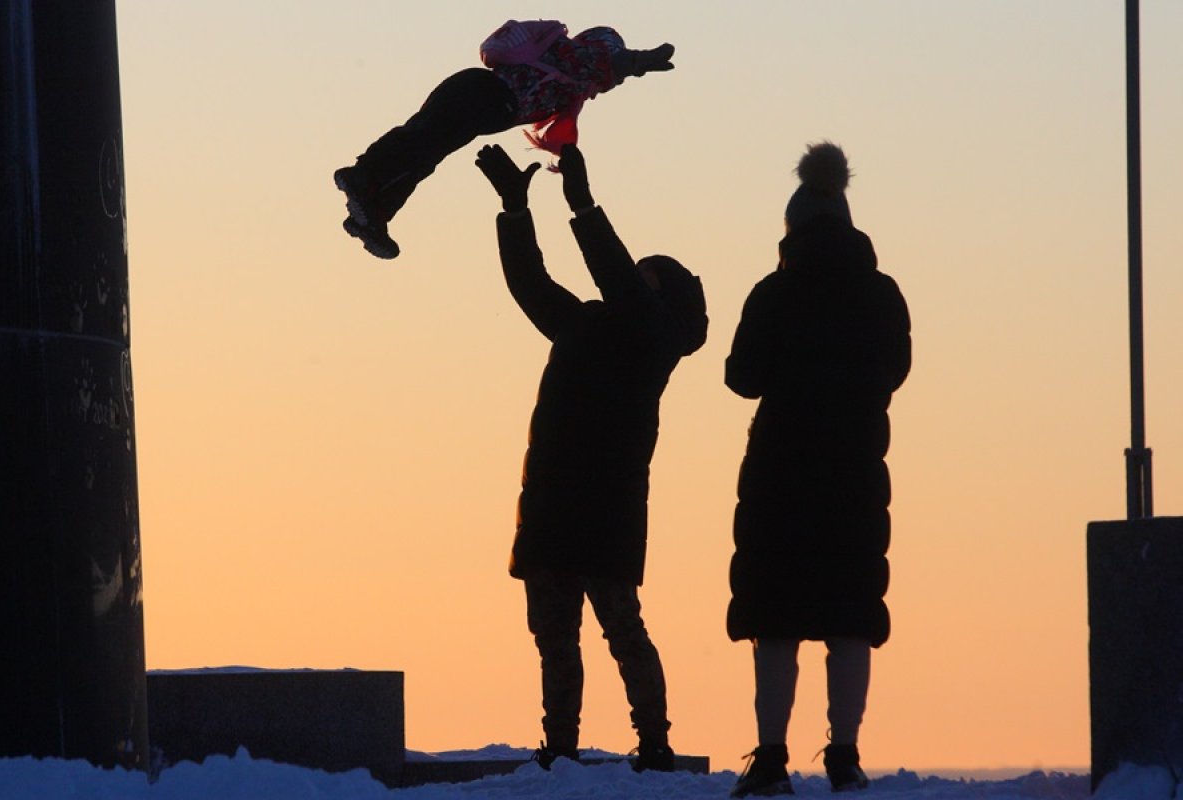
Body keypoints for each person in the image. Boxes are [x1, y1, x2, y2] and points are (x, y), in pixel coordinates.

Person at [474, 141, 707, 773]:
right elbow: (531, 284)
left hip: (603, 508)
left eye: (648, 278)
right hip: (552, 501)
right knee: (555, 641)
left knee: (621, 631)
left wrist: (578, 199)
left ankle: (655, 743)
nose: (635, 279)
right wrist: (514, 207)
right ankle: (561, 748)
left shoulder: (652, 339)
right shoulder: (583, 324)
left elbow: (614, 273)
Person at [725, 142, 911, 797]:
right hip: (856, 474)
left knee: (773, 619)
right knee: (849, 616)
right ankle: (844, 754)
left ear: (791, 230)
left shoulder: (773, 293)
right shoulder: (883, 294)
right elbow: (896, 371)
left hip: (779, 473)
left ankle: (771, 758)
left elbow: (740, 377)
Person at [335, 21, 674, 260]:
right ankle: (361, 177)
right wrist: (639, 62)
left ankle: (374, 213)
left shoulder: (570, 81)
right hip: (483, 94)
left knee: (426, 152)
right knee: (422, 140)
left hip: (482, 100)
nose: (613, 83)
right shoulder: (576, 57)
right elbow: (606, 61)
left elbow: (600, 71)